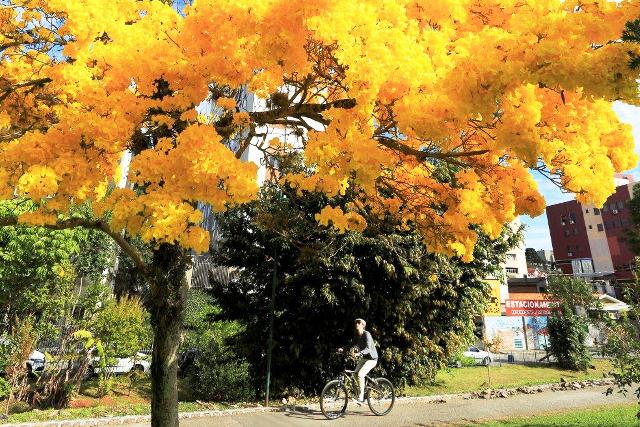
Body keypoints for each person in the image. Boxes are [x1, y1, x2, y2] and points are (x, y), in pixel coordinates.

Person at [340, 318, 378, 405]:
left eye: (359, 322)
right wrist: (343, 349)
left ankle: (361, 398)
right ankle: (363, 393)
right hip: (364, 358)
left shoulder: (366, 334)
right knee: (355, 374)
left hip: (372, 359)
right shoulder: (357, 335)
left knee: (361, 374)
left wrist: (358, 354)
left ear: (363, 325)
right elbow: (351, 344)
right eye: (356, 322)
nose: (356, 323)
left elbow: (368, 349)